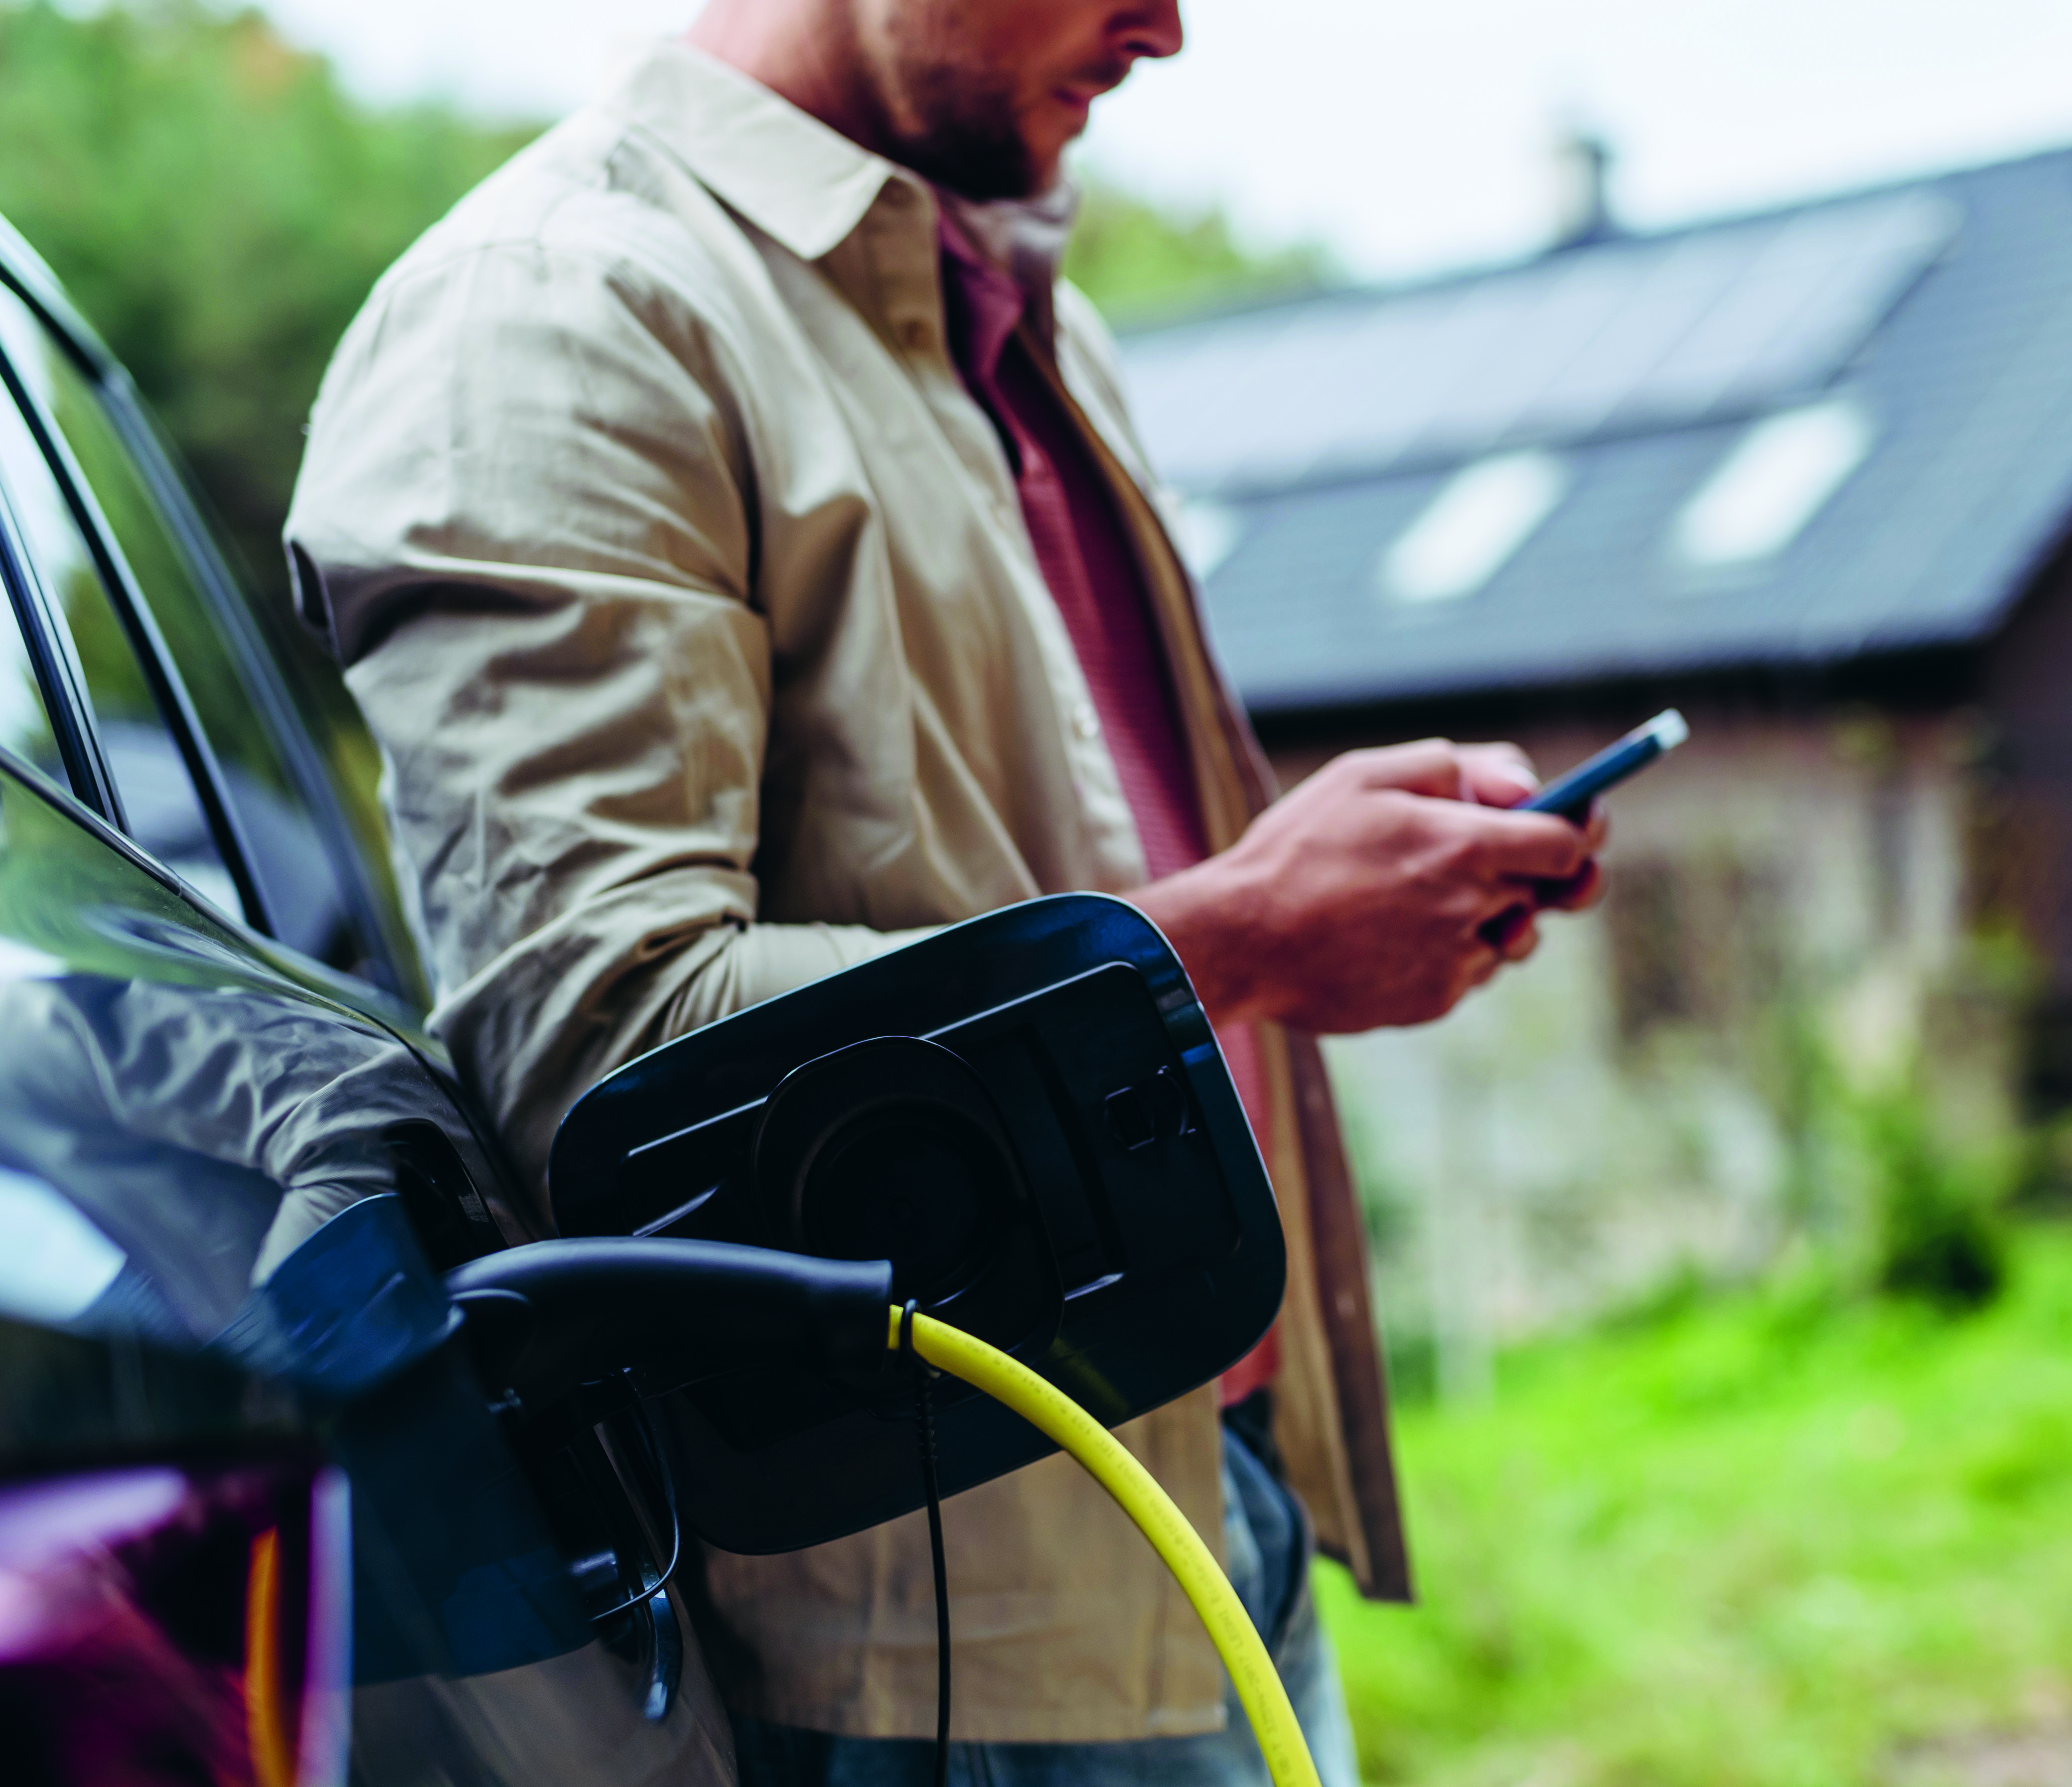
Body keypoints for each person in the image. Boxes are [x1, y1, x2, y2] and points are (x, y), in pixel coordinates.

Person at [285, 1, 1606, 1782]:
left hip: (1202, 1519)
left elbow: (1042, 869)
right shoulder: (551, 316)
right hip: (937, 1682)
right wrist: (1248, 933)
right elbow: (605, 1057)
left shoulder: (1015, 313)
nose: (1171, 26)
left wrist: (1337, 891)